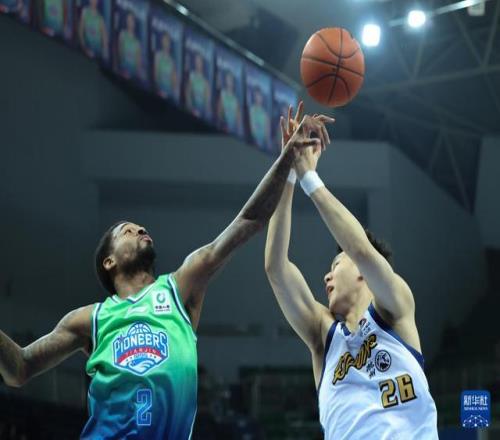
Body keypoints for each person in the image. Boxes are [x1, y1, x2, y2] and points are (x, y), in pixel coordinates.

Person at [0, 109, 333, 439]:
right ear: (108, 262)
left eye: (140, 228)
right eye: (127, 231)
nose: (140, 229)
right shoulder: (89, 320)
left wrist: (286, 160)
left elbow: (249, 220)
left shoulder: (180, 287)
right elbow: (20, 368)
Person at [264, 105, 438, 439]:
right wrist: (289, 170)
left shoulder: (395, 308)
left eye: (335, 266)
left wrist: (310, 177)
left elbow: (360, 249)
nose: (326, 278)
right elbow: (275, 266)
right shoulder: (324, 336)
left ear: (361, 273)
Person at [118, 12, 143, 80]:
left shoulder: (137, 43)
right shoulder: (122, 35)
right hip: (122, 70)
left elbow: (138, 63)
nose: (129, 23)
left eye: (131, 20)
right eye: (128, 20)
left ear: (134, 23)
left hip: (133, 75)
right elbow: (120, 53)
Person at [185, 53, 210, 119]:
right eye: (196, 61)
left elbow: (207, 101)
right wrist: (190, 108)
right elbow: (188, 93)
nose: (198, 64)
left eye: (199, 62)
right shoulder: (191, 76)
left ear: (202, 64)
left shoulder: (205, 82)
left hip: (202, 113)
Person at [153, 32, 177, 99]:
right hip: (158, 92)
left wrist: (170, 92)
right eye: (164, 41)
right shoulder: (158, 56)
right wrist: (159, 90)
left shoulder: (172, 61)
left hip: (169, 94)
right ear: (162, 42)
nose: (166, 43)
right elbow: (155, 74)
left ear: (169, 43)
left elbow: (174, 80)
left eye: (167, 41)